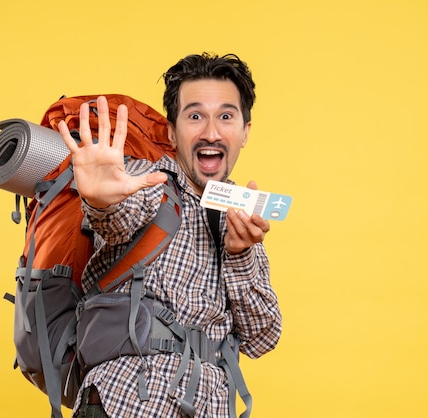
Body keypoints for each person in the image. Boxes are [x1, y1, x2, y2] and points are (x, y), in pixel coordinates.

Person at [58, 52, 282, 418]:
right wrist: (100, 202)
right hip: (129, 401)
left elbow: (262, 338)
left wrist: (241, 254)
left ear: (244, 132)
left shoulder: (240, 217)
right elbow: (117, 220)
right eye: (195, 116)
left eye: (226, 116)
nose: (211, 131)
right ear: (170, 131)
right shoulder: (145, 182)